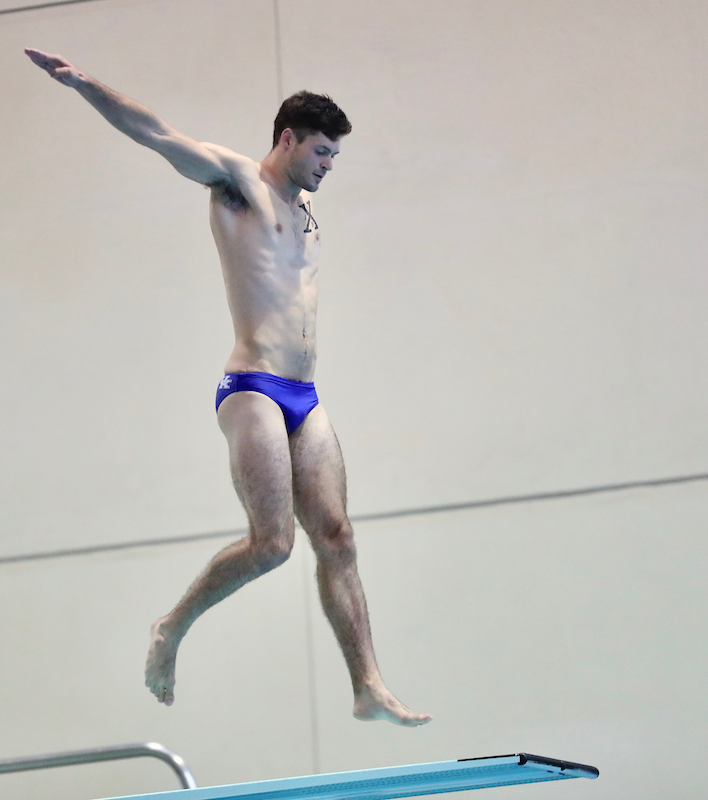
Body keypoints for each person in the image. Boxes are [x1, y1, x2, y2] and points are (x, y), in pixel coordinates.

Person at [24, 48, 431, 727]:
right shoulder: (237, 182)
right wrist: (83, 83)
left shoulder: (305, 214)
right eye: (323, 152)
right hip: (252, 388)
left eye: (336, 156)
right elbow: (155, 133)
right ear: (287, 139)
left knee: (338, 537)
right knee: (272, 545)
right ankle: (171, 626)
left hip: (307, 397)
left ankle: (367, 685)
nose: (329, 165)